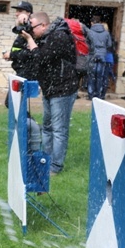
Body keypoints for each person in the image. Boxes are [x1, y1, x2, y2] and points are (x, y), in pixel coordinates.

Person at [20, 12, 79, 176]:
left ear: (44, 25)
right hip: (50, 89)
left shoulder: (59, 37)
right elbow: (29, 57)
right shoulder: (45, 38)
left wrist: (30, 40)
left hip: (63, 90)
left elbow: (41, 57)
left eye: (32, 28)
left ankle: (56, 166)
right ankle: (45, 160)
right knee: (47, 127)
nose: (31, 31)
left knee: (59, 130)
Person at [2, 1, 35, 79]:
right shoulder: (23, 28)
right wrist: (12, 56)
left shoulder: (31, 30)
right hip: (21, 71)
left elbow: (32, 53)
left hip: (28, 72)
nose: (16, 14)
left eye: (20, 11)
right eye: (16, 11)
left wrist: (12, 55)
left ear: (28, 13)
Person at [86, 16, 112, 100]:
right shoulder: (106, 33)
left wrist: (92, 49)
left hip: (93, 55)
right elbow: (109, 45)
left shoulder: (90, 32)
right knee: (100, 76)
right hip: (102, 55)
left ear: (92, 23)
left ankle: (91, 95)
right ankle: (99, 95)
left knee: (91, 75)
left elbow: (87, 43)